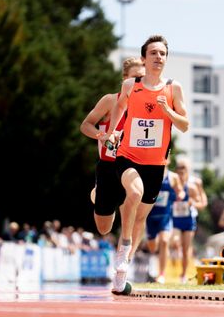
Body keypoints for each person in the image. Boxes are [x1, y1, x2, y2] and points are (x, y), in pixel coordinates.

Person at [105, 34, 189, 294]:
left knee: (141, 217)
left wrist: (168, 111)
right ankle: (124, 245)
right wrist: (112, 132)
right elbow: (119, 108)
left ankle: (124, 266)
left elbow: (184, 125)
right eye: (153, 53)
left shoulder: (173, 88)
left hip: (157, 163)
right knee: (134, 192)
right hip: (128, 155)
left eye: (162, 53)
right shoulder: (132, 85)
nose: (158, 57)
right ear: (144, 58)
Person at [80, 57, 145, 235]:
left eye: (143, 78)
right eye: (136, 78)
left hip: (134, 166)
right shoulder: (110, 101)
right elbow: (86, 125)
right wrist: (102, 135)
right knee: (103, 229)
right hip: (109, 166)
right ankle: (101, 195)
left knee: (136, 204)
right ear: (125, 79)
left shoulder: (149, 105)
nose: (140, 82)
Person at [145, 163, 183, 284]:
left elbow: (180, 191)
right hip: (150, 216)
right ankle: (155, 263)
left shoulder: (173, 177)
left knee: (165, 241)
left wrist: (180, 195)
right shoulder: (149, 173)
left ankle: (161, 274)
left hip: (165, 216)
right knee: (152, 246)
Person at [173, 156, 208, 283]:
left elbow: (202, 204)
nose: (181, 173)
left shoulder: (193, 186)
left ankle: (183, 274)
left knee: (186, 247)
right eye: (179, 170)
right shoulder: (173, 185)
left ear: (187, 171)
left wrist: (192, 203)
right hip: (175, 219)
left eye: (183, 170)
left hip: (189, 219)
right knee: (176, 242)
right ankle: (177, 254)